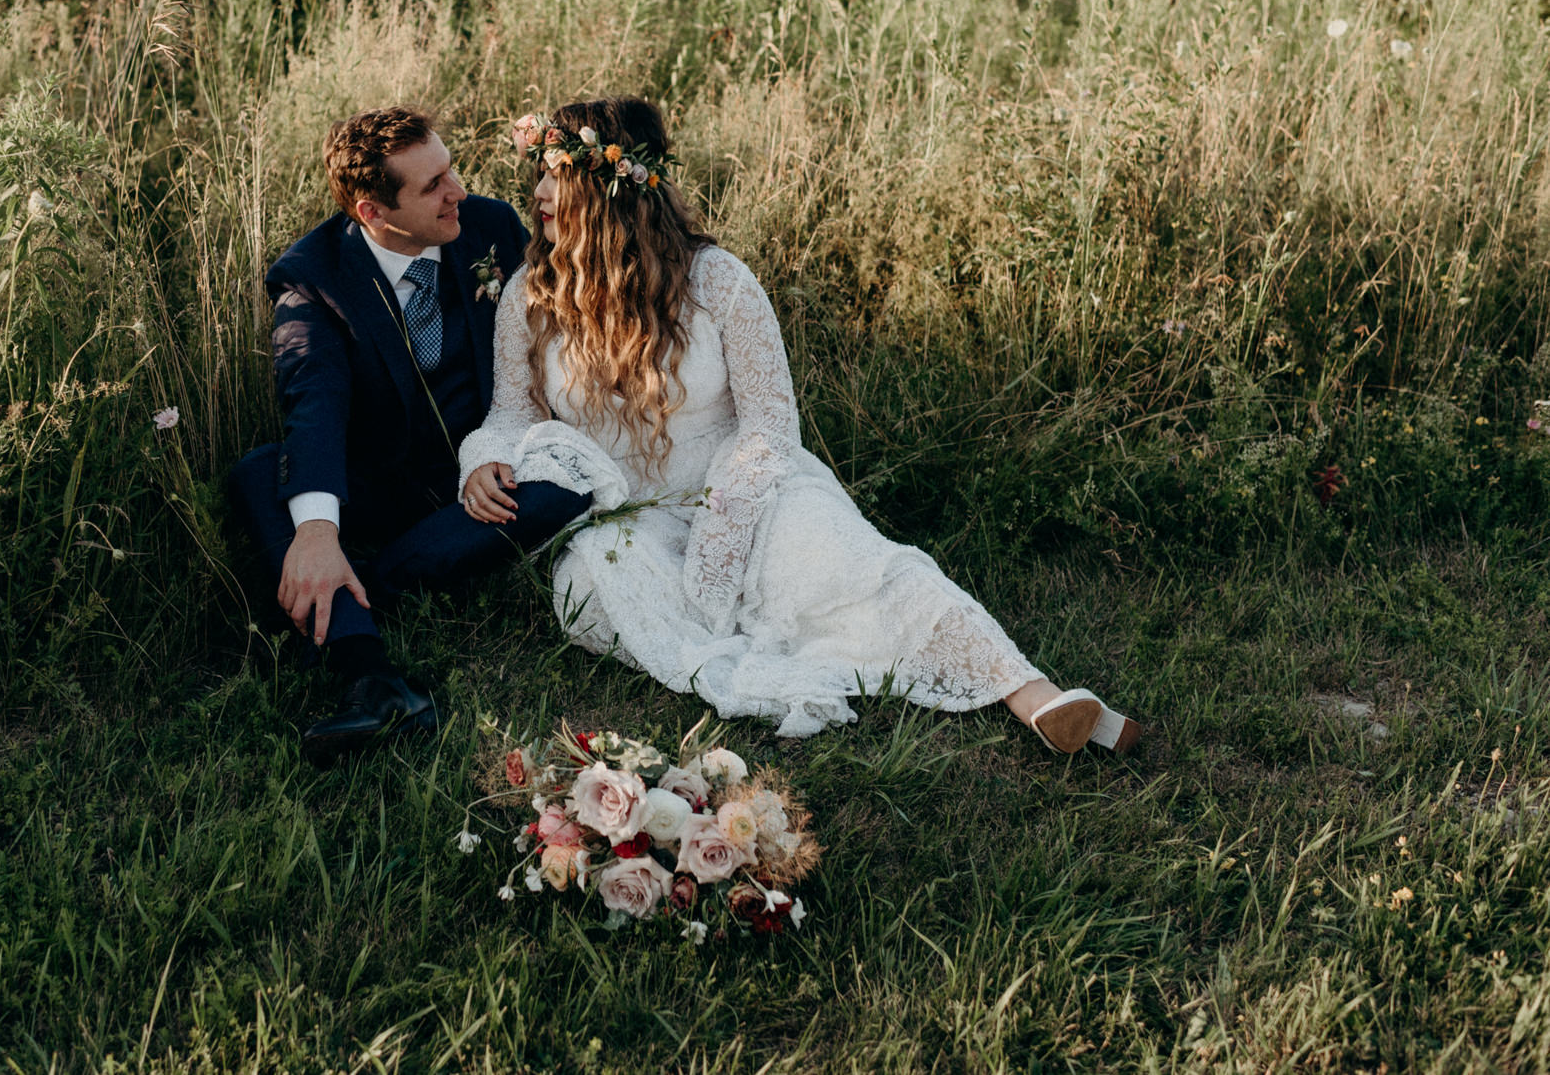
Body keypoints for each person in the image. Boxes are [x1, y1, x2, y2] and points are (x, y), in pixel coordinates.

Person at [457, 97, 1141, 750]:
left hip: (745, 487)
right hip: (627, 511)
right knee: (588, 590)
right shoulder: (531, 291)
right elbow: (512, 412)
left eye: (556, 178)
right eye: (539, 176)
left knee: (846, 563)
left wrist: (725, 535)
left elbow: (770, 425)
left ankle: (1033, 695)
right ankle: (762, 657)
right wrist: (481, 458)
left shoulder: (718, 281)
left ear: (615, 190)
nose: (538, 196)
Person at [227, 106, 593, 766]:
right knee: (259, 472)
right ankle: (371, 677)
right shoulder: (311, 280)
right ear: (372, 213)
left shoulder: (487, 226)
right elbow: (313, 400)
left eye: (449, 168)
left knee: (575, 483)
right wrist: (315, 529)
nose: (457, 189)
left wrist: (504, 448)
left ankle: (361, 587)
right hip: (386, 479)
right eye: (432, 186)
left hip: (495, 463)